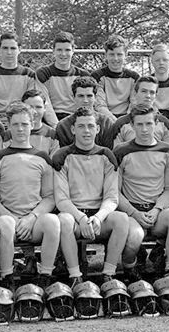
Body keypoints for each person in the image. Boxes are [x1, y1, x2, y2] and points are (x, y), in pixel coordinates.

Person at [53, 107, 136, 284]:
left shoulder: (107, 155)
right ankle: (75, 276)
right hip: (75, 217)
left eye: (91, 126)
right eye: (81, 126)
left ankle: (109, 274)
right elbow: (61, 199)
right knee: (63, 220)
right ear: (73, 129)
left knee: (121, 219)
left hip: (99, 218)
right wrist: (81, 218)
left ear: (97, 129)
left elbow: (112, 197)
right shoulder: (61, 156)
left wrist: (98, 217)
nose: (86, 131)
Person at [0, 103, 61, 290]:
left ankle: (45, 277)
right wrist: (14, 219)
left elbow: (49, 197)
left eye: (24, 124)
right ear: (8, 126)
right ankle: (7, 279)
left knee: (53, 222)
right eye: (15, 124)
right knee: (5, 224)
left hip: (33, 222)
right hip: (9, 221)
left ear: (32, 124)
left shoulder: (42, 158)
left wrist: (32, 218)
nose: (20, 129)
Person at [113, 104, 169, 278]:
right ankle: (130, 265)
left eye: (149, 124)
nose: (144, 129)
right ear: (131, 125)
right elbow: (115, 191)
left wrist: (157, 209)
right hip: (132, 212)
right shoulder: (121, 152)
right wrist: (135, 213)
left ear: (156, 124)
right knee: (135, 237)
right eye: (139, 124)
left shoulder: (166, 151)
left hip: (157, 211)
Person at [0, 32, 39, 124]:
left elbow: (30, 104)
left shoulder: (29, 74)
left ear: (19, 50)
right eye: (5, 48)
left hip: (20, 120)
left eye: (13, 48)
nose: (9, 52)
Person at [35, 31, 90, 125]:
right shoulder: (43, 73)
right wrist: (57, 127)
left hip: (75, 119)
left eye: (67, 50)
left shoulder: (83, 75)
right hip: (51, 120)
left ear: (73, 50)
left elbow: (86, 104)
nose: (63, 54)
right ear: (53, 51)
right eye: (59, 50)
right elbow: (45, 105)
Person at [108, 76, 169, 147]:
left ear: (156, 96)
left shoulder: (164, 123)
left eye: (152, 92)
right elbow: (117, 154)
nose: (148, 96)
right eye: (144, 91)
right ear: (135, 94)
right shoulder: (121, 123)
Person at [55, 76, 114, 149]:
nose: (85, 100)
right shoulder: (63, 126)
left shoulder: (106, 123)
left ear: (95, 97)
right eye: (81, 96)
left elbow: (109, 152)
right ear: (74, 97)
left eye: (89, 96)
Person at [91, 34, 140, 119]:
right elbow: (99, 105)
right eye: (112, 54)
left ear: (126, 55)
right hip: (104, 118)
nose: (115, 58)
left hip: (127, 118)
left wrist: (125, 120)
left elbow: (134, 104)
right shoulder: (97, 76)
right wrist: (114, 121)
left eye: (119, 54)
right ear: (106, 55)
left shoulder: (134, 77)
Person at [22, 90, 59, 156]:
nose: (34, 111)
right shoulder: (12, 132)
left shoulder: (52, 134)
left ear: (45, 108)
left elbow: (53, 162)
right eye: (30, 107)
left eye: (38, 107)